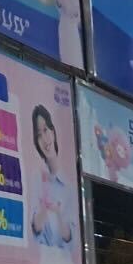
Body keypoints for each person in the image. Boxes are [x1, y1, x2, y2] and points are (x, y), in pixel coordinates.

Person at [30, 105, 75, 250]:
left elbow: (70, 239)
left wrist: (58, 213)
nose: (44, 139)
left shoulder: (69, 186)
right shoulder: (36, 179)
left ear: (53, 131)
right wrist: (44, 209)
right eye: (38, 135)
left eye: (45, 130)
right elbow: (34, 230)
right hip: (44, 263)